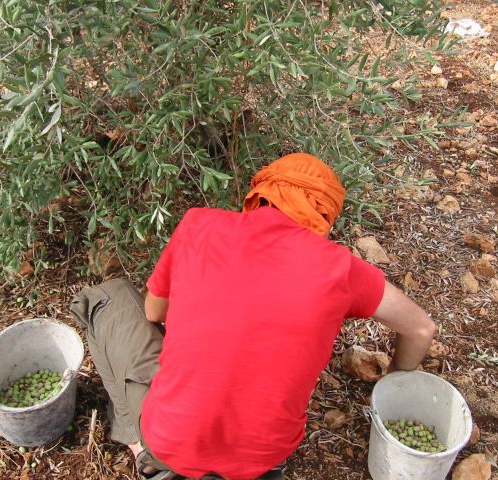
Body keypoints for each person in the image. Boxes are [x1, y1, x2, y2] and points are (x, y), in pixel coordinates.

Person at [70, 153, 435, 480]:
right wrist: (395, 385)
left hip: (173, 442)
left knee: (108, 297)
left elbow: (152, 312)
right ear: (326, 215)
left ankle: (140, 446)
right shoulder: (342, 269)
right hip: (263, 461)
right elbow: (421, 328)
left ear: (260, 193)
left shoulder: (198, 225)